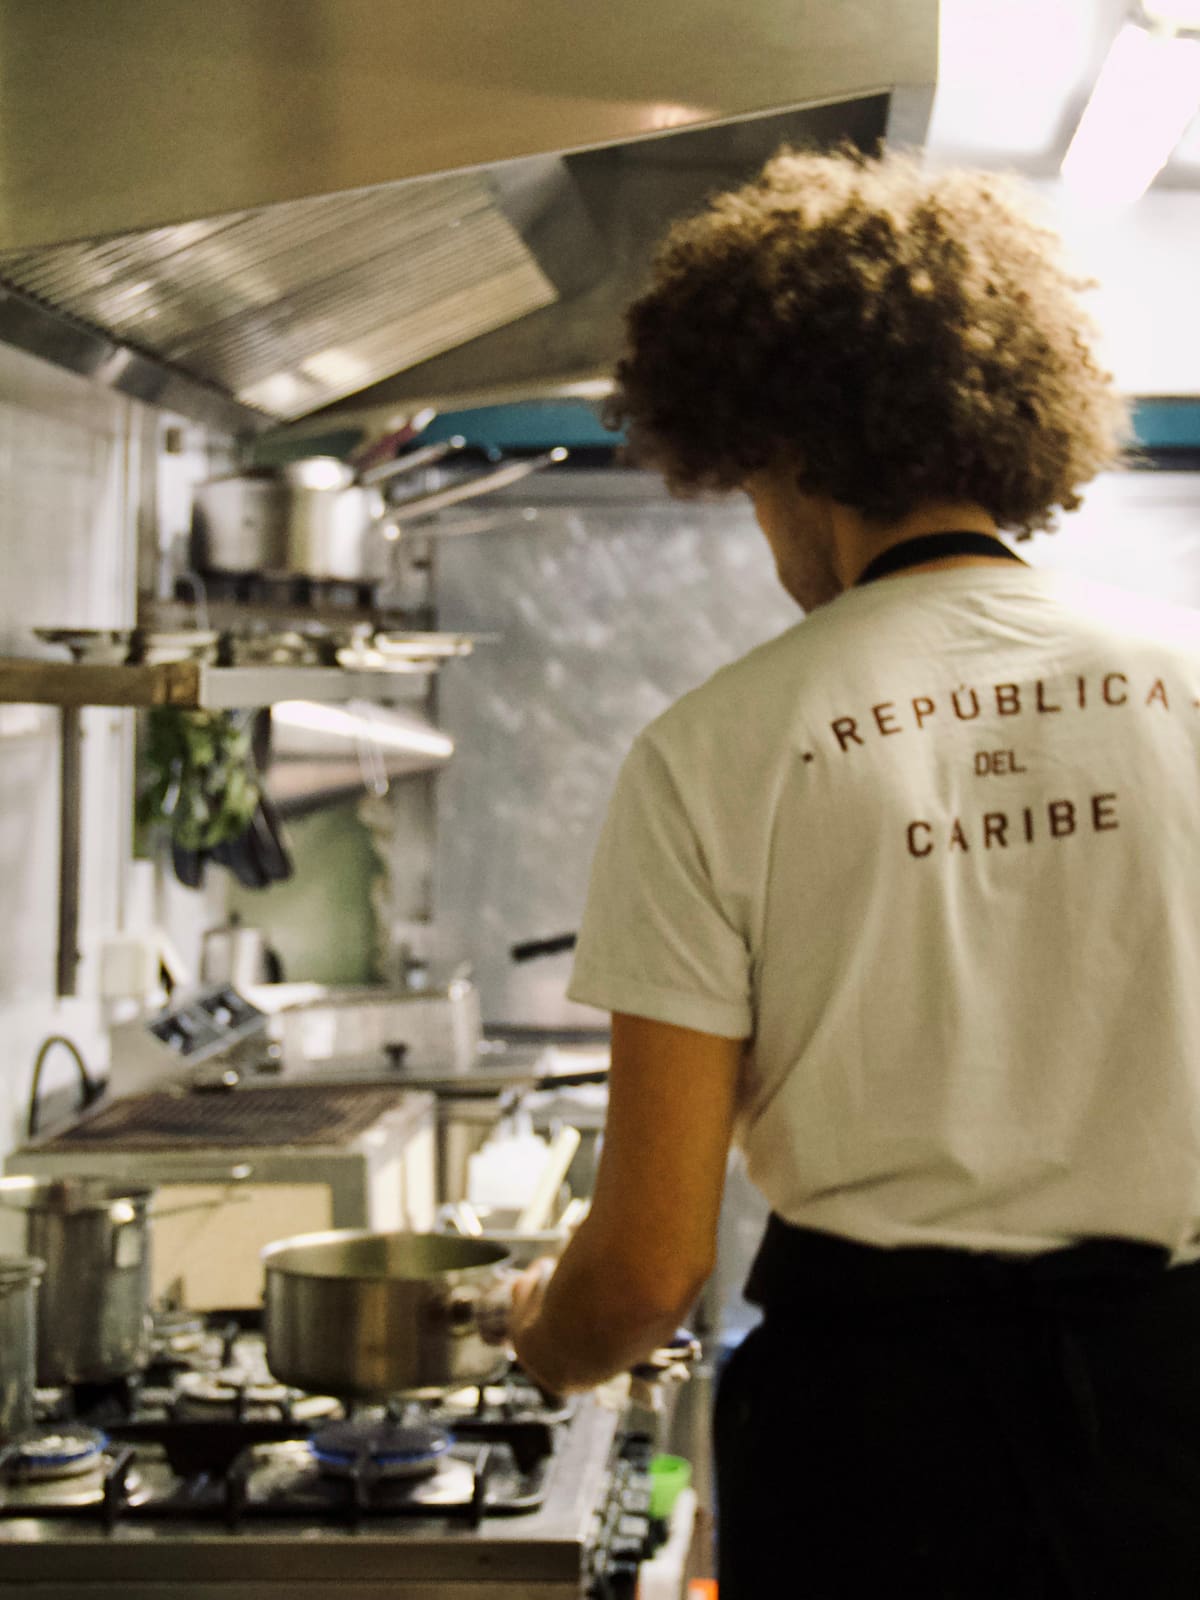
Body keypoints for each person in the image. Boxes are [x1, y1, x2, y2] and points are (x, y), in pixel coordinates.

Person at [505, 147, 1200, 1597]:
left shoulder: (712, 753)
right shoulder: (1191, 687)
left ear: (789, 452)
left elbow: (643, 1272)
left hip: (879, 1449)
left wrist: (541, 1337)